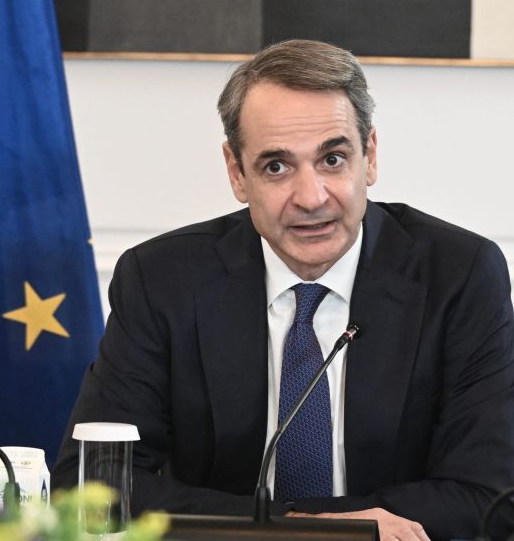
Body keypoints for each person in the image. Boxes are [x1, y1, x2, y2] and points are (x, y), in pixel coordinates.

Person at [52, 40, 514, 540]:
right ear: (237, 173)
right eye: (277, 166)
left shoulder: (458, 275)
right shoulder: (163, 280)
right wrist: (301, 529)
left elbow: (490, 494)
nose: (311, 198)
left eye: (333, 159)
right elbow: (93, 484)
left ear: (370, 156)